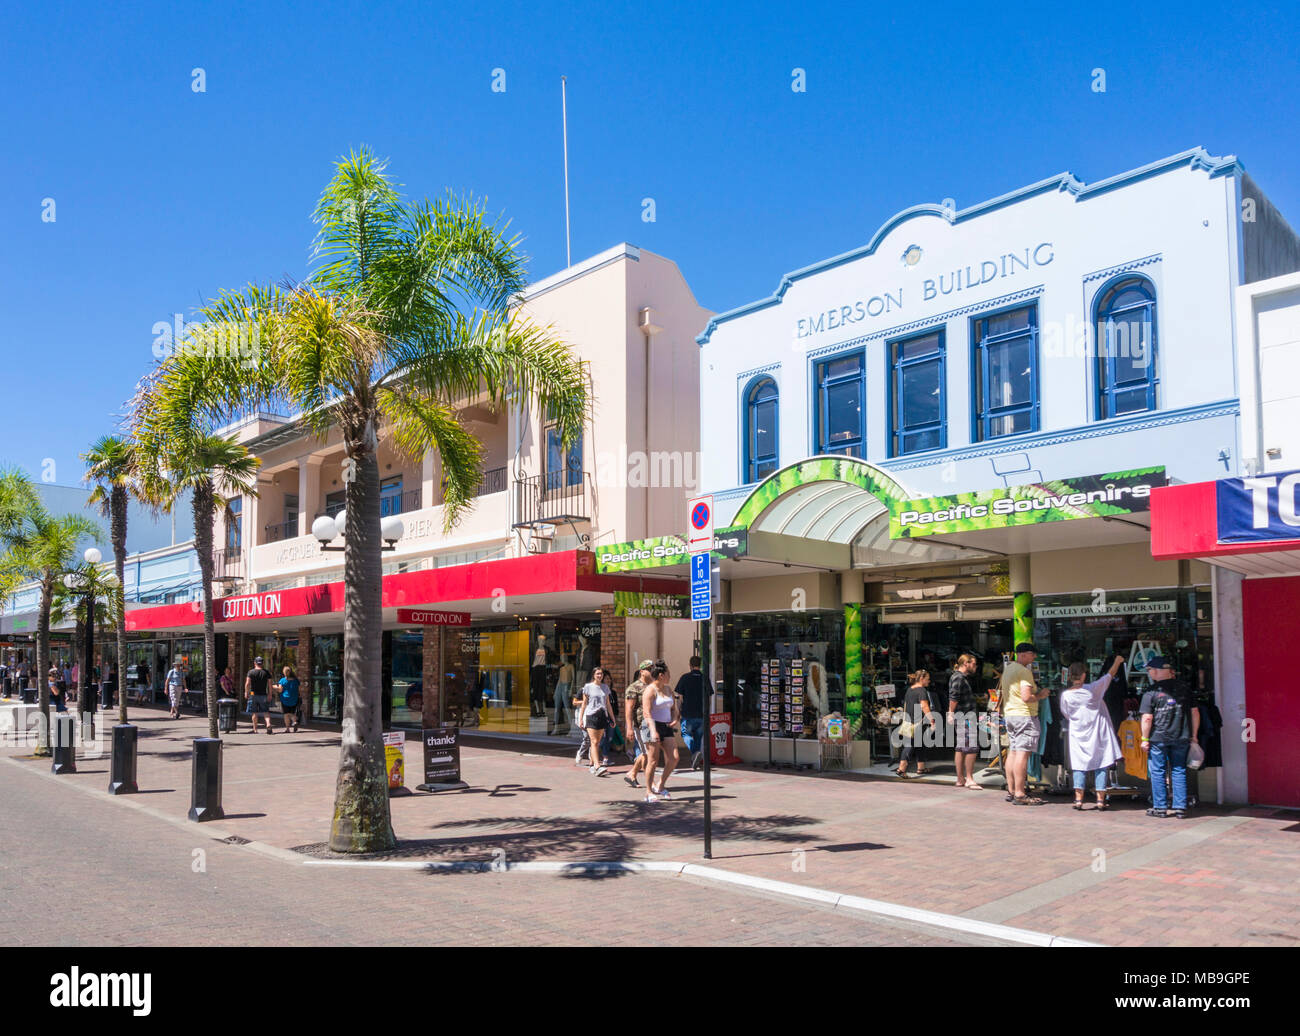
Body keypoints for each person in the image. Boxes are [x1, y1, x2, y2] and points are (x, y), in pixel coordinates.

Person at [1060, 655, 1124, 811]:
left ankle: (1078, 799)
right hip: (1097, 732)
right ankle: (1101, 800)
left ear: (1069, 676)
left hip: (1077, 733)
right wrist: (1117, 661)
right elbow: (1110, 675)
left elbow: (1066, 713)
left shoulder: (1066, 695)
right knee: (1101, 763)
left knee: (1079, 765)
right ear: (1083, 675)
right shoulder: (1093, 689)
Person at [1140, 655, 1200, 819]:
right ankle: (1180, 807)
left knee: (1158, 771)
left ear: (1158, 671)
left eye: (1150, 669)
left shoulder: (1151, 692)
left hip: (1158, 738)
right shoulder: (1184, 688)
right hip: (1181, 736)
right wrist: (1194, 735)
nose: (1149, 673)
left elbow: (1147, 717)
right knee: (1178, 770)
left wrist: (1144, 739)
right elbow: (1195, 712)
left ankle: (1160, 807)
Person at [1000, 642, 1048, 805]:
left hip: (1011, 715)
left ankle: (1012, 790)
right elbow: (1027, 697)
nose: (1034, 657)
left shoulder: (1009, 669)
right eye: (1032, 654)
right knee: (1022, 754)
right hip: (1024, 716)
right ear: (1024, 655)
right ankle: (1020, 793)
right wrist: (1041, 695)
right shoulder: (1024, 672)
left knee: (1013, 752)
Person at [641, 661, 679, 802]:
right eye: (668, 674)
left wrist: (675, 718)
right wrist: (653, 731)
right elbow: (647, 713)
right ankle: (648, 792)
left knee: (674, 757)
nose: (670, 676)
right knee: (653, 760)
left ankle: (660, 785)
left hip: (666, 726)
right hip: (652, 725)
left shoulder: (669, 689)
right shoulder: (650, 690)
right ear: (661, 675)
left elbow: (673, 709)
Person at [947, 654, 982, 789]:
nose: (975, 666)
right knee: (971, 748)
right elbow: (953, 697)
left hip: (964, 715)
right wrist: (951, 712)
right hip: (965, 716)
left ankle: (961, 779)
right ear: (966, 663)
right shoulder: (958, 677)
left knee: (961, 748)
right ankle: (969, 778)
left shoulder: (960, 678)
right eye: (974, 663)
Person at [674, 655, 712, 770]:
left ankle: (695, 754)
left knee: (686, 734)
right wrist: (707, 712)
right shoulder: (705, 678)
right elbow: (709, 699)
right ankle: (695, 758)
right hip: (701, 714)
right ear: (699, 665)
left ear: (690, 665)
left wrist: (678, 711)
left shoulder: (685, 678)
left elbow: (680, 698)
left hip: (688, 713)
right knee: (698, 736)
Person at [895, 670, 933, 778]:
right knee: (910, 745)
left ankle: (921, 768)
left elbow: (906, 704)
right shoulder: (922, 690)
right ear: (921, 679)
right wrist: (931, 719)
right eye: (927, 679)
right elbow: (924, 706)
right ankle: (901, 769)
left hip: (909, 721)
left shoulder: (909, 690)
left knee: (919, 744)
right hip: (917, 722)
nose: (929, 681)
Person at [623, 659, 654, 788]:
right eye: (649, 669)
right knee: (647, 753)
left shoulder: (653, 685)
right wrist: (629, 728)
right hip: (640, 724)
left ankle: (632, 774)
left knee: (647, 753)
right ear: (642, 671)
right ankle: (649, 783)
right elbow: (629, 709)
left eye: (652, 668)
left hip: (652, 723)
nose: (652, 671)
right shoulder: (634, 687)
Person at [579, 665, 614, 775]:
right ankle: (597, 765)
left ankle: (591, 764)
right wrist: (581, 719)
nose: (600, 675)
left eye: (601, 674)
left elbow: (608, 704)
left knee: (597, 742)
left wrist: (612, 718)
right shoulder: (588, 687)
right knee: (594, 741)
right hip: (591, 715)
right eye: (597, 673)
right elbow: (584, 704)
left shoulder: (605, 687)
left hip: (602, 716)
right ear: (594, 675)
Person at [245, 655, 273, 734]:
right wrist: (270, 694)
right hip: (263, 694)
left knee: (254, 712)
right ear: (262, 663)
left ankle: (255, 729)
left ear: (255, 663)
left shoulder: (251, 672)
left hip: (253, 694)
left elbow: (247, 684)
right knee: (266, 711)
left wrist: (246, 692)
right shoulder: (266, 672)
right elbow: (270, 684)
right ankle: (268, 724)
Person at [278, 665, 301, 732]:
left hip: (285, 699)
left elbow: (280, 690)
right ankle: (295, 722)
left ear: (284, 672)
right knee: (292, 713)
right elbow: (298, 690)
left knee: (286, 714)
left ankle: (287, 729)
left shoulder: (282, 680)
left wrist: (274, 687)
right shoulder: (296, 680)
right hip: (294, 699)